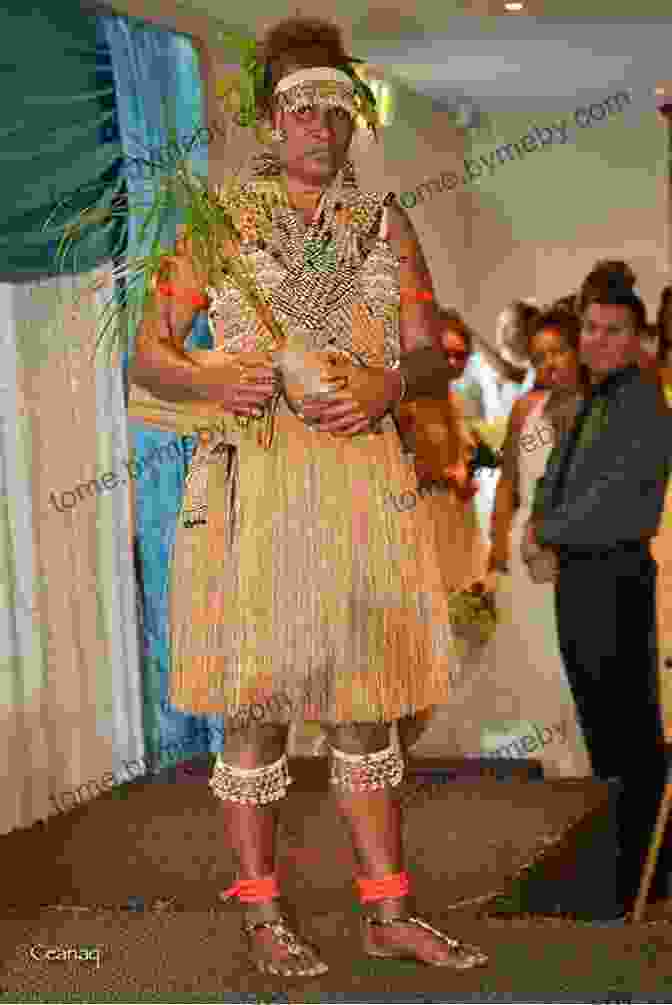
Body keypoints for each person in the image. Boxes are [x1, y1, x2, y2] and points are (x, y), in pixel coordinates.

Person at [129, 16, 488, 976]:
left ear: (354, 119)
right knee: (255, 705)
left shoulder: (384, 224)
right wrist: (211, 382)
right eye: (301, 108)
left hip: (360, 480)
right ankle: (261, 913)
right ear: (267, 117)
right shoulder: (216, 225)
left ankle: (389, 910)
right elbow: (149, 354)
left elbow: (427, 354)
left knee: (364, 708)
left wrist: (389, 385)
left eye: (337, 108)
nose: (320, 128)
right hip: (254, 481)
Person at [523, 261, 672, 914]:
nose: (598, 341)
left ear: (636, 335)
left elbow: (615, 503)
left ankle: (642, 875)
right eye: (590, 328)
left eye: (614, 330)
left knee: (629, 732)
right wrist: (538, 520)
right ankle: (631, 868)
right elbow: (555, 475)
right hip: (582, 579)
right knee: (604, 730)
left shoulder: (641, 396)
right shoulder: (592, 397)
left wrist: (547, 528)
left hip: (614, 573)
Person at [485, 306, 592, 778]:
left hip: (573, 542)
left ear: (578, 352)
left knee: (567, 654)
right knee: (528, 653)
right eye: (539, 355)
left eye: (558, 352)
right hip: (522, 537)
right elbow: (508, 479)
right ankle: (532, 756)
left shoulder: (594, 404)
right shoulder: (526, 409)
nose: (549, 364)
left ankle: (578, 755)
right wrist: (496, 543)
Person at [395, 309, 489, 752]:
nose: (455, 364)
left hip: (456, 522)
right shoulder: (403, 402)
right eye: (447, 355)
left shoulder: (451, 401)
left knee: (460, 633)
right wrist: (440, 473)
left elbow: (460, 456)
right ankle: (411, 739)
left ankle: (437, 737)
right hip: (421, 525)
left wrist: (462, 473)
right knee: (422, 638)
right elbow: (394, 469)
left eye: (463, 357)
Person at [456, 300, 540, 541]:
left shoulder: (536, 369)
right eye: (501, 325)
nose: (503, 333)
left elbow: (509, 373)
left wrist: (470, 335)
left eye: (511, 326)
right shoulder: (483, 367)